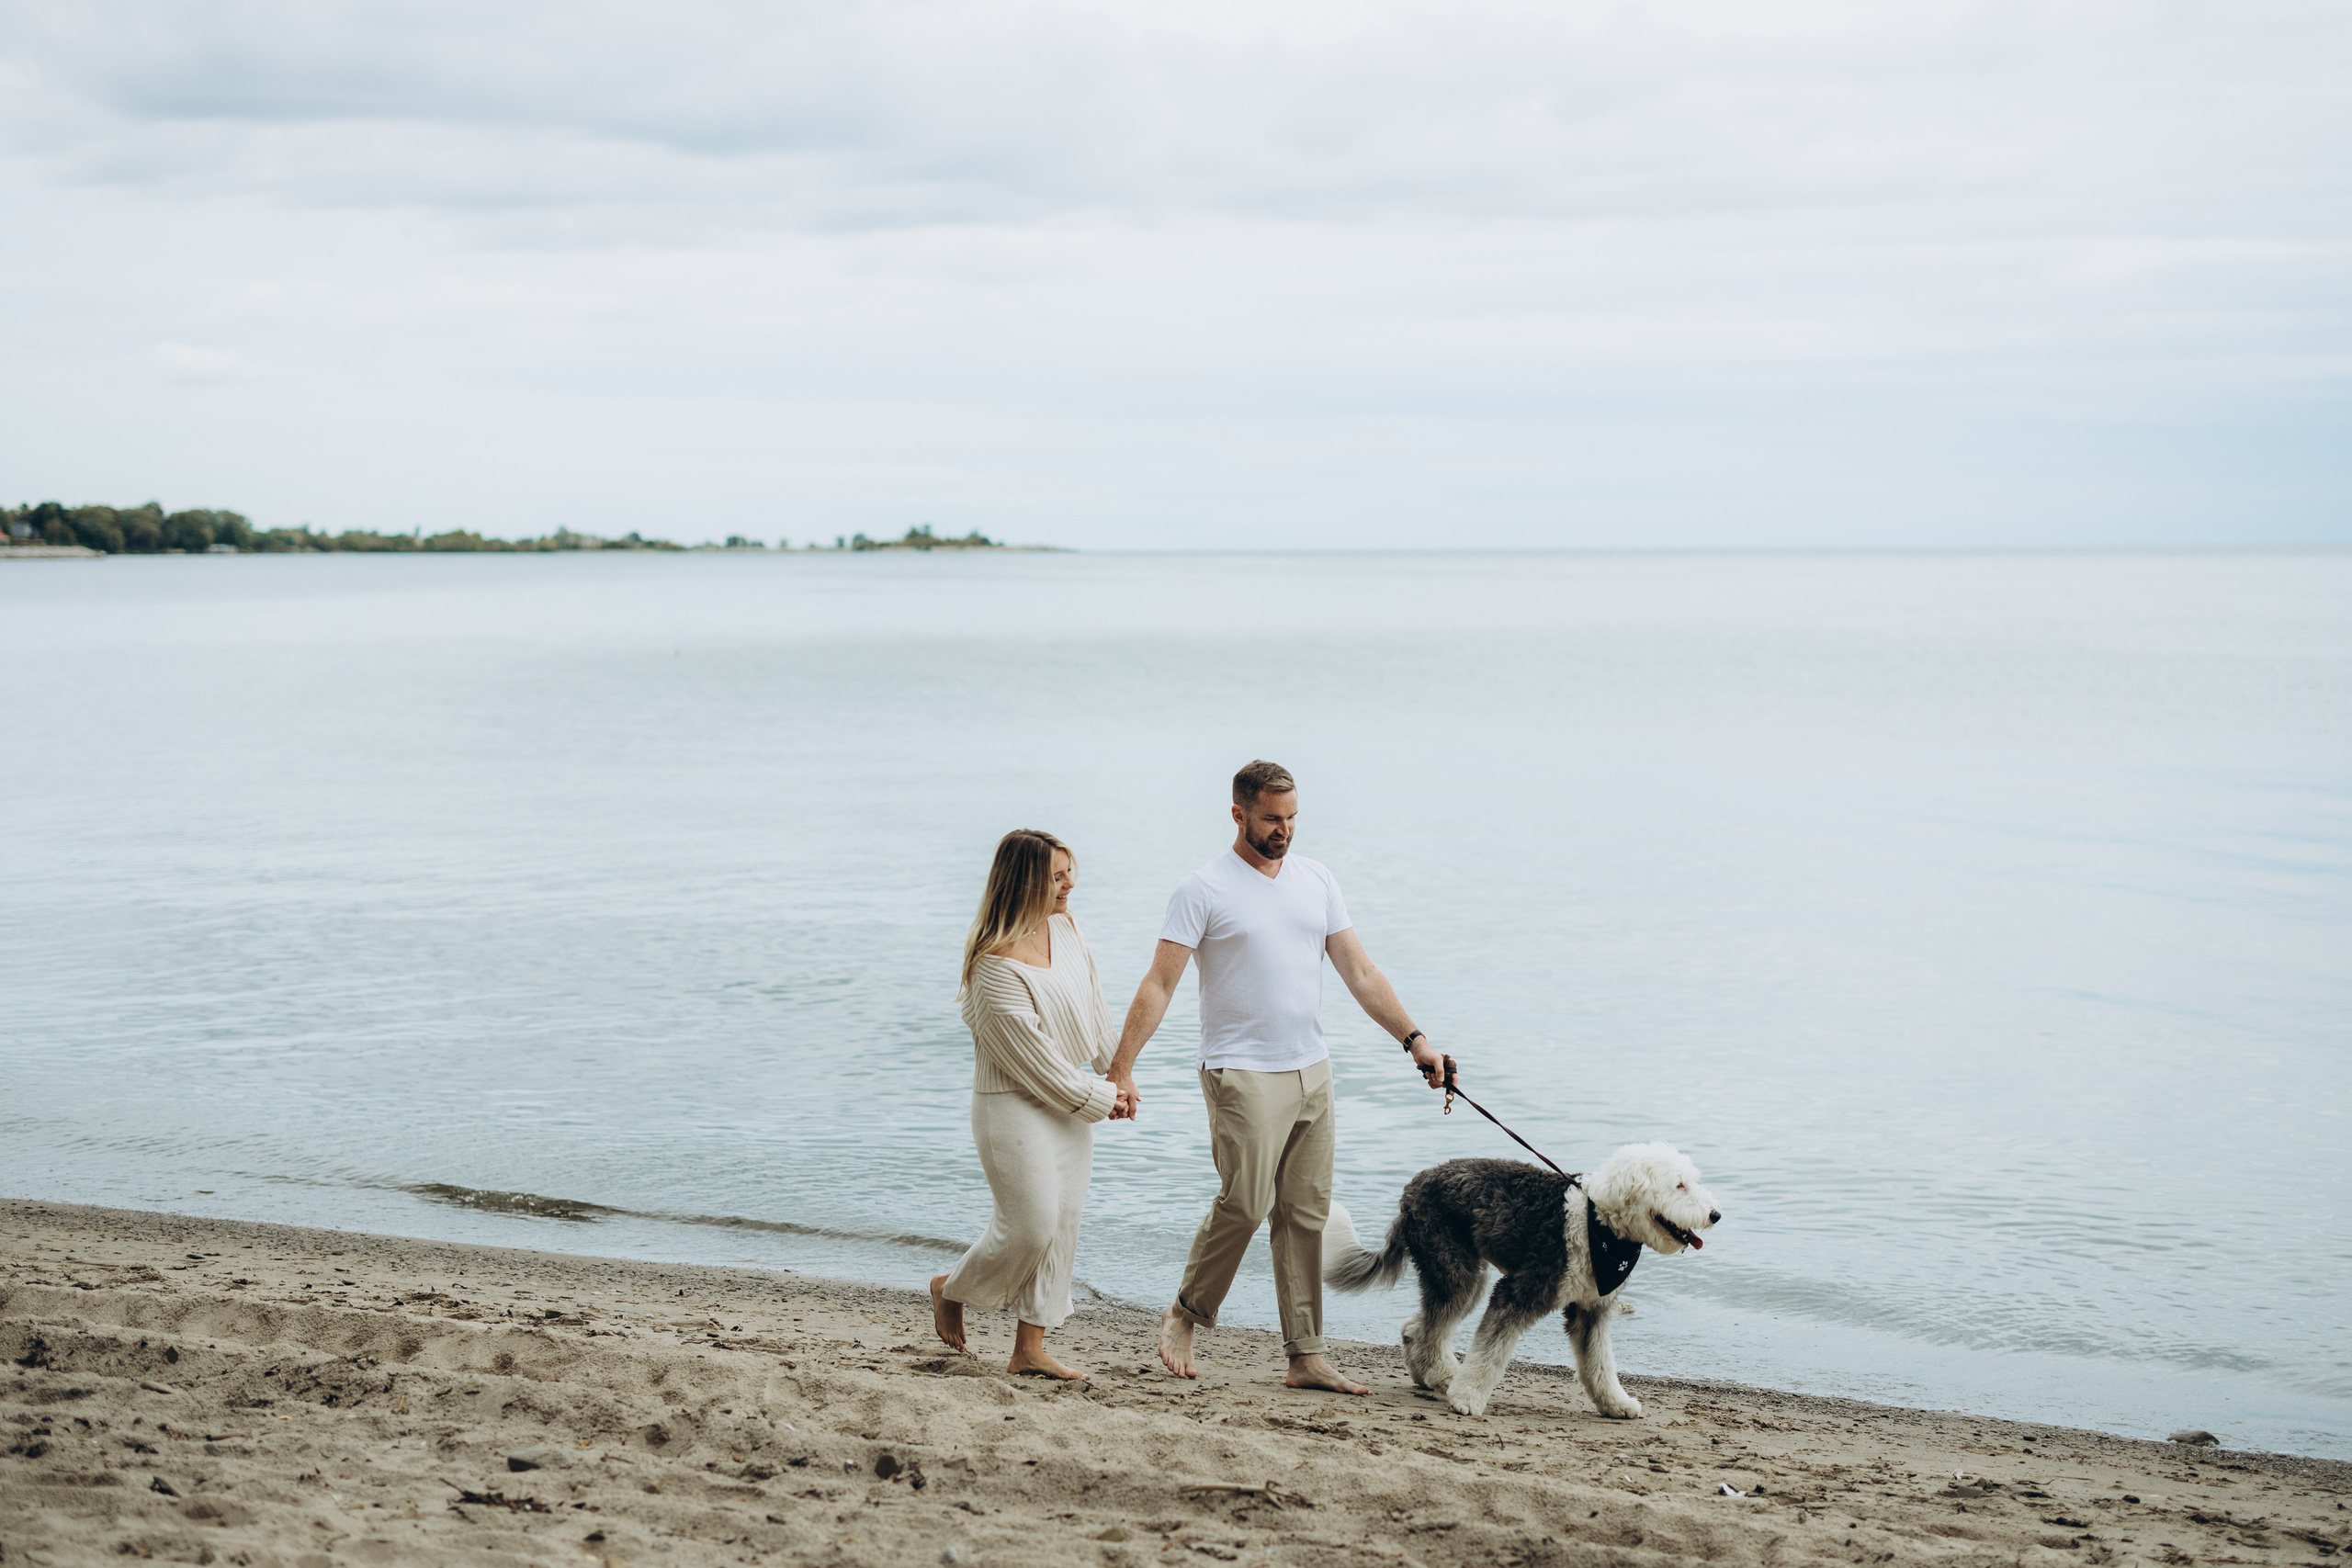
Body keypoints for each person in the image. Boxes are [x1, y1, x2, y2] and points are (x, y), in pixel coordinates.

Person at [1107, 760, 1452, 1393]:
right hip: (1240, 1069)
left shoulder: (1316, 879)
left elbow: (1360, 971)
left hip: (1311, 1070)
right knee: (1244, 1202)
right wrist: (1122, 1067)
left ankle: (1305, 1355)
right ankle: (1186, 1310)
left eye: (1291, 818)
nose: (1283, 830)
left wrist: (1415, 1039)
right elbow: (1159, 983)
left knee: (1303, 1213)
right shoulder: (1202, 888)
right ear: (1238, 814)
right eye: (1271, 818)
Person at [932, 829, 1131, 1380]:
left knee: (1062, 1224)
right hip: (1012, 1106)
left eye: (1071, 872)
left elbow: (1093, 1006)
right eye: (1057, 877)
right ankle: (952, 1288)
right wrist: (1101, 1097)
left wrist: (1118, 1071)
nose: (1071, 885)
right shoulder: (992, 965)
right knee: (1030, 1224)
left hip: (1069, 1101)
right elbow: (1035, 1063)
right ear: (1024, 883)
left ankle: (1029, 1349)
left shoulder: (1064, 927)